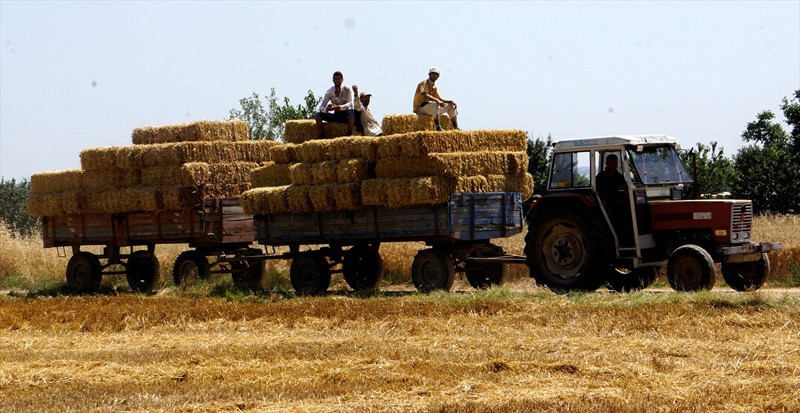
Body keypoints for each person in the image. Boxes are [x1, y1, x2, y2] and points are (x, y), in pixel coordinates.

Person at [315, 71, 355, 139]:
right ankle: (321, 135)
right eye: (335, 79)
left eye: (339, 79)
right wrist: (327, 109)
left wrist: (338, 107)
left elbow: (350, 104)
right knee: (318, 114)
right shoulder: (329, 92)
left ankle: (350, 132)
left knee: (351, 111)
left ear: (342, 79)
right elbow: (321, 107)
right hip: (336, 116)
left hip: (346, 116)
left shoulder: (347, 89)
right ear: (333, 80)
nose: (337, 80)